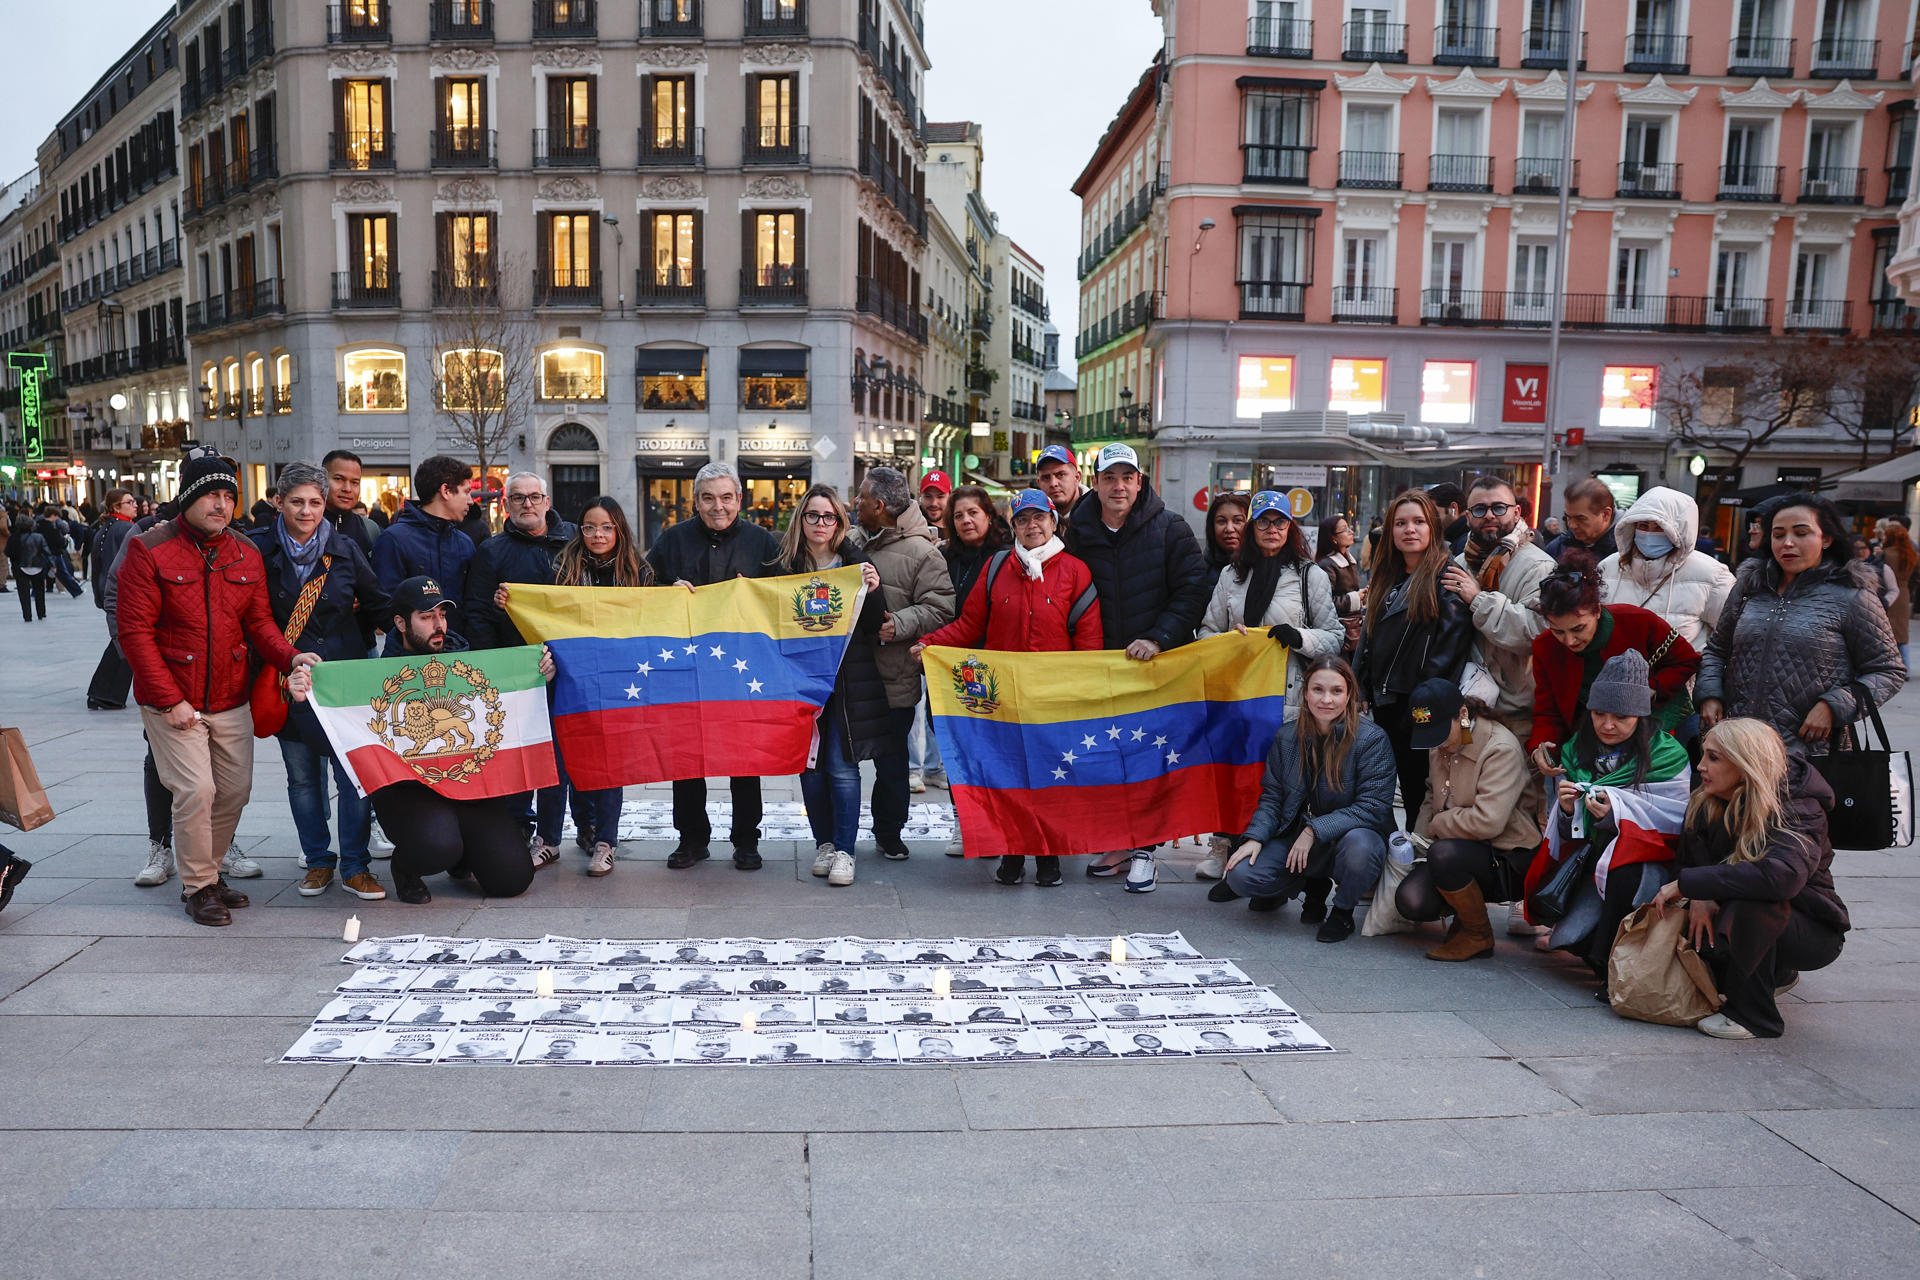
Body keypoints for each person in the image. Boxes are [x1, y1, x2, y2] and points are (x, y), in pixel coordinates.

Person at [116, 449, 319, 925]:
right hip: (173, 697)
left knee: (234, 791)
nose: (221, 504)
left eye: (229, 495)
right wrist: (169, 701)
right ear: (188, 496)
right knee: (196, 789)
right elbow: (135, 634)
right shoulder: (149, 549)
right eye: (211, 494)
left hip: (231, 695)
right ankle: (198, 887)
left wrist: (291, 656)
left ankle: (207, 869)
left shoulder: (244, 551)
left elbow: (260, 621)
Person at [916, 488, 1104, 884]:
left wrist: (1083, 692)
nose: (1032, 526)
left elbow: (1089, 643)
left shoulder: (1076, 571)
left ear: (1054, 521)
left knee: (1052, 778)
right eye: (1023, 519)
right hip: (1004, 701)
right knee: (1011, 778)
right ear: (1013, 526)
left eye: (1039, 518)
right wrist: (931, 644)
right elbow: (970, 625)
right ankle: (1014, 853)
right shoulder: (998, 567)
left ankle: (1049, 856)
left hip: (1054, 698)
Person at [1064, 442, 1209, 892]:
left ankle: (1145, 850)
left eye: (1127, 477)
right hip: (1101, 668)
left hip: (1154, 668)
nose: (1119, 486)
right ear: (1096, 483)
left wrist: (1159, 637)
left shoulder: (1171, 528)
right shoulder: (1075, 531)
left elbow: (1192, 590)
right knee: (1110, 759)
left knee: (1149, 760)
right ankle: (1119, 841)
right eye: (1110, 477)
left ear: (1140, 482)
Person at [343, 577, 541, 904]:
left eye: (442, 615)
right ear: (400, 623)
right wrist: (311, 689)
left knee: (513, 878)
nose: (438, 625)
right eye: (426, 617)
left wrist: (538, 674)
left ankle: (463, 856)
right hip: (410, 794)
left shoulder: (469, 664)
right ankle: (406, 869)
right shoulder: (376, 677)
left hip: (468, 784)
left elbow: (508, 700)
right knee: (438, 846)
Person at [247, 462, 392, 902]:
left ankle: (356, 866)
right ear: (278, 502)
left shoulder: (346, 548)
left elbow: (378, 605)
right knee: (303, 779)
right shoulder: (257, 550)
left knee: (353, 777)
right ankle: (317, 861)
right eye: (297, 502)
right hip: (288, 679)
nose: (307, 511)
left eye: (315, 502)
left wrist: (426, 625)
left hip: (342, 684)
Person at [1655, 717, 1848, 1039]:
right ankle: (1774, 974)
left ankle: (1755, 1018)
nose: (1700, 766)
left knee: (1753, 901)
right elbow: (1685, 864)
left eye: (1714, 758)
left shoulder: (1798, 805)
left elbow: (1781, 878)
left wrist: (1692, 884)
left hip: (1811, 931)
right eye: (1703, 755)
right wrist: (1699, 894)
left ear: (1746, 764)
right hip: (1739, 917)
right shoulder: (1706, 798)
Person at [645, 462, 784, 870]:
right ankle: (691, 839)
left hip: (741, 670)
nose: (718, 506)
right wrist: (664, 591)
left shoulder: (764, 543)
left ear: (740, 499)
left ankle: (746, 840)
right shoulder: (671, 540)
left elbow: (784, 596)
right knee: (686, 756)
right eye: (708, 498)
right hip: (686, 669)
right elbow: (642, 587)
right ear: (696, 501)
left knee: (745, 757)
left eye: (726, 497)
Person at [1524, 650, 1693, 978]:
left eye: (1621, 717)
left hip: (1645, 867)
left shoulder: (1667, 756)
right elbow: (1567, 836)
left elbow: (1674, 823)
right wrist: (1568, 810)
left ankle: (1608, 964)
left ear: (1640, 716)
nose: (1608, 725)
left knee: (1623, 874)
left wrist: (1612, 817)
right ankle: (1606, 945)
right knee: (1568, 942)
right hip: (1590, 862)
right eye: (1599, 714)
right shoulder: (1575, 750)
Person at [1698, 493, 1905, 757]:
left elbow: (1888, 670)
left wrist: (1834, 706)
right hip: (1737, 746)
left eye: (1801, 533)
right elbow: (1716, 650)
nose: (1788, 543)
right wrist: (1710, 694)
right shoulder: (1749, 589)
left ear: (1826, 539)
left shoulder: (1853, 596)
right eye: (1778, 534)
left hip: (1808, 753)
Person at [1211, 655, 1396, 943]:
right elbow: (1272, 797)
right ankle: (1303, 885)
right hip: (1296, 835)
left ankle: (1343, 911)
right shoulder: (1287, 737)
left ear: (1349, 695)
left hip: (1349, 837)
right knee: (1242, 874)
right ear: (1305, 693)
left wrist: (1314, 830)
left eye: (1336, 691)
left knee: (1361, 849)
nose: (1326, 699)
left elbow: (1373, 807)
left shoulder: (1372, 739)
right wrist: (1255, 838)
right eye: (1317, 690)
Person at [521, 496, 652, 877]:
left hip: (616, 681)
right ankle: (547, 841)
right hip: (568, 679)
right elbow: (543, 616)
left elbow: (653, 620)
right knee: (556, 762)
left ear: (619, 529)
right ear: (581, 530)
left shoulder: (639, 571)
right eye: (590, 527)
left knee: (610, 764)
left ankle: (605, 843)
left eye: (607, 527)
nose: (598, 534)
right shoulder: (561, 567)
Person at [776, 485, 886, 888]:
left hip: (845, 681)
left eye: (829, 517)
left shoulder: (855, 564)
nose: (820, 524)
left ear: (840, 522)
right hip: (800, 683)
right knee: (810, 770)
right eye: (813, 516)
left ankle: (846, 850)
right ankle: (823, 842)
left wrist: (873, 590)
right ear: (801, 520)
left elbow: (876, 623)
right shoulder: (783, 568)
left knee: (841, 767)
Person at [1392, 678, 1542, 961]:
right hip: (1456, 848)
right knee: (1411, 900)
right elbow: (1430, 792)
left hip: (1509, 855)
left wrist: (1437, 825)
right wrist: (1418, 840)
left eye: (1438, 733)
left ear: (1462, 714)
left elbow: (1488, 822)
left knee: (1444, 854)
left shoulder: (1500, 749)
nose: (1435, 743)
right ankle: (1464, 912)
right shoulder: (1441, 740)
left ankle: (1478, 935)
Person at [854, 466, 956, 862]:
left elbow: (941, 607)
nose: (855, 502)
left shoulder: (923, 552)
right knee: (842, 763)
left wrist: (897, 625)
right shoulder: (851, 538)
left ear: (879, 506)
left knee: (892, 762)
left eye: (861, 497)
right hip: (850, 673)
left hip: (893, 677)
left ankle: (889, 832)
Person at [1354, 489, 1474, 818]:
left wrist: (1418, 706)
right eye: (1401, 523)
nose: (1410, 529)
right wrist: (1361, 682)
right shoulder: (1385, 577)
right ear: (1389, 530)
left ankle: (1426, 857)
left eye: (1419, 522)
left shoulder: (1445, 576)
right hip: (1384, 703)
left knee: (1424, 788)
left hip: (1420, 706)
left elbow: (1449, 650)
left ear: (1432, 529)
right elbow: (1370, 638)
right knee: (1399, 788)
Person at [1529, 551, 1700, 781]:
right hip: (1586, 748)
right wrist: (1541, 748)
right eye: (1558, 631)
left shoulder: (1637, 621)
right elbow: (1548, 710)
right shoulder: (1545, 647)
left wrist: (1649, 690)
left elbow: (1686, 659)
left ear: (1597, 611)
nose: (1569, 641)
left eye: (1578, 628)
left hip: (1650, 740)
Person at [1441, 474, 1555, 755]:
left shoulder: (1539, 566)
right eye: (1480, 509)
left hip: (1515, 713)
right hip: (1467, 706)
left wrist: (1478, 600)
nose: (1490, 515)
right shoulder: (1458, 564)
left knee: (1522, 797)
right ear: (1468, 517)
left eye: (1499, 507)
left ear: (1517, 512)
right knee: (1465, 788)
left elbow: (1538, 633)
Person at [914, 485, 1011, 798]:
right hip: (951, 663)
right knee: (956, 749)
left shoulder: (1007, 558)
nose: (966, 520)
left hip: (994, 663)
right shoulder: (942, 557)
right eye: (958, 515)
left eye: (973, 513)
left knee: (994, 751)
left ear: (988, 516)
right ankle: (962, 822)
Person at [1598, 486, 1734, 658]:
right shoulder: (1607, 567)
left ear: (1678, 530)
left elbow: (1728, 639)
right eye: (1643, 525)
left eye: (1660, 527)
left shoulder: (1713, 576)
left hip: (1681, 682)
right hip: (1613, 680)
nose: (1649, 534)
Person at [371, 454, 477, 601]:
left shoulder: (464, 543)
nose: (471, 501)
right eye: (466, 491)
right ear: (445, 491)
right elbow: (384, 605)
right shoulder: (394, 540)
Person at [84, 488, 141, 708]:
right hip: (124, 593)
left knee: (122, 642)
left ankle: (104, 693)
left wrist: (100, 595)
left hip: (110, 592)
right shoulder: (127, 529)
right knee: (125, 644)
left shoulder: (103, 530)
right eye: (129, 502)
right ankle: (104, 693)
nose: (135, 504)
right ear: (116, 507)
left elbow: (95, 567)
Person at [1316, 513, 1365, 658]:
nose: (1351, 531)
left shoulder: (1349, 560)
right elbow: (1325, 603)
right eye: (1344, 529)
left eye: (1349, 527)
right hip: (1339, 632)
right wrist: (1356, 597)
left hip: (1352, 629)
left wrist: (1361, 596)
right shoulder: (1327, 564)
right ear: (1333, 537)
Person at [320, 450, 382, 556]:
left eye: (354, 482)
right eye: (339, 479)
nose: (347, 489)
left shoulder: (371, 530)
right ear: (322, 480)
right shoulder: (305, 525)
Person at [1545, 476, 1619, 564]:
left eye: (1580, 518)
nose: (1572, 525)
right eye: (1568, 517)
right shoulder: (1556, 548)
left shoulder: (1629, 552)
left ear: (1605, 514)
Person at [1876, 518, 1917, 672]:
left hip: (1885, 593)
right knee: (1902, 631)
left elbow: (1877, 573)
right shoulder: (1913, 555)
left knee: (1884, 629)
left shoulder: (1884, 554)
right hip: (1904, 593)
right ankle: (1905, 666)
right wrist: (1908, 587)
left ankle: (1887, 664)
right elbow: (1917, 578)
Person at [1202, 491, 1251, 594]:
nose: (1229, 529)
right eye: (1221, 521)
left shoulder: (1265, 566)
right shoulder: (1199, 569)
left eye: (1237, 521)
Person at [10, 513, 49, 622]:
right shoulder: (38, 537)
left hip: (20, 566)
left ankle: (27, 615)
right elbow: (46, 551)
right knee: (39, 591)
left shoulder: (13, 538)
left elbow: (8, 552)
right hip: (37, 565)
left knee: (24, 593)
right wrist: (52, 565)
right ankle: (41, 613)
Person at [1034, 444, 1087, 520]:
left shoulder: (1101, 511)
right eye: (1046, 477)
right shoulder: (1032, 520)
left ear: (1077, 477)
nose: (1053, 483)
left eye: (1060, 475)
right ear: (1039, 483)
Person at [1426, 482, 1468, 552]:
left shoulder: (1463, 545)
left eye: (1434, 513)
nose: (1430, 520)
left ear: (1453, 508)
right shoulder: (1462, 538)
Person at [917, 469, 951, 537]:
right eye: (928, 496)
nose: (934, 503)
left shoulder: (958, 525)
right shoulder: (910, 527)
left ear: (950, 497)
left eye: (940, 497)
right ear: (920, 496)